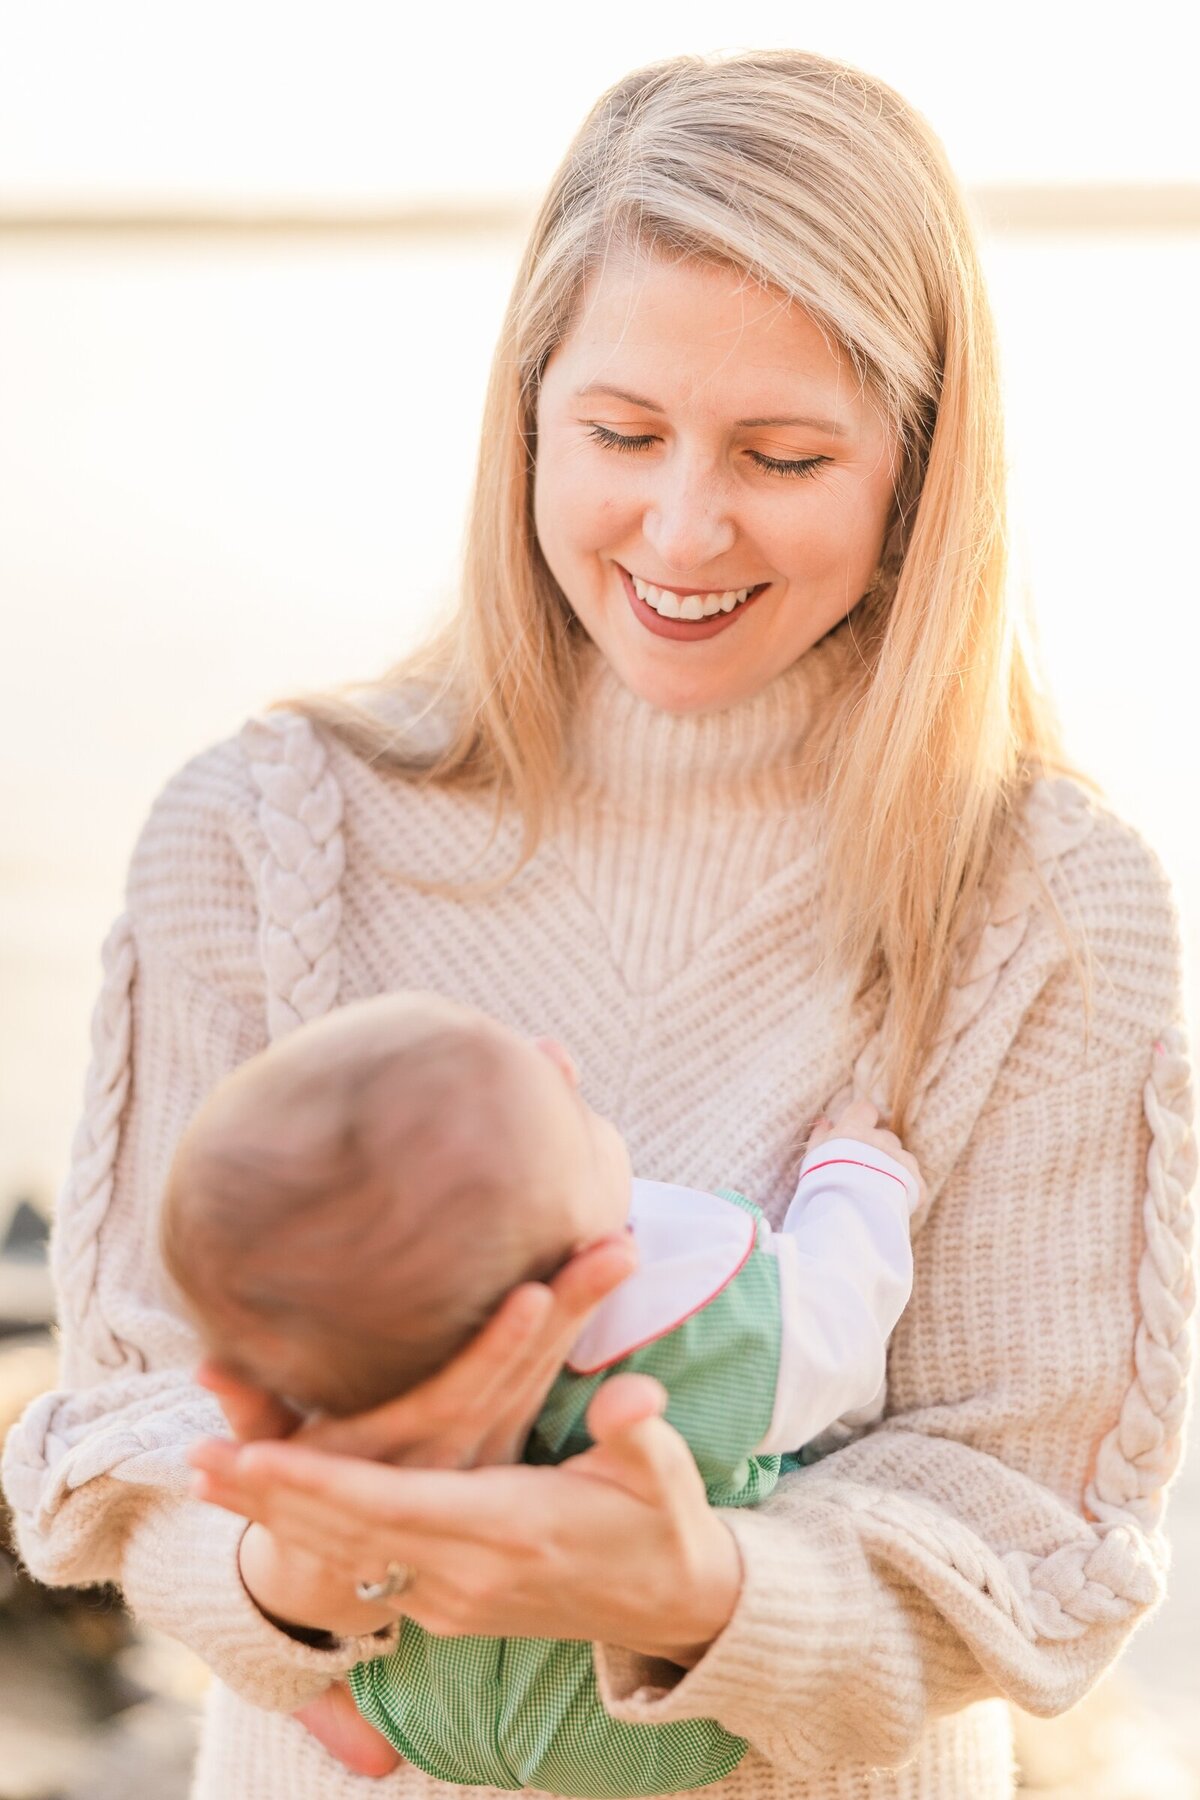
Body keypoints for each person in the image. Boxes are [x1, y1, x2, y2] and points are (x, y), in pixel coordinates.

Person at [2, 45, 1195, 1800]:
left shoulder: (1048, 898)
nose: (683, 524)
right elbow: (115, 1430)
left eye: (783, 454)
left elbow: (1041, 1540)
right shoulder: (268, 830)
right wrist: (302, 1563)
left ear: (920, 474)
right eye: (622, 434)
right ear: (527, 413)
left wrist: (704, 1591)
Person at [161, 989, 918, 1789]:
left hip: (417, 1705)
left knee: (330, 1526)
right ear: (585, 1238)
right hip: (628, 1733)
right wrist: (856, 1180)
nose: (559, 1058)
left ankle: (351, 1723)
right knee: (785, 1456)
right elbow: (841, 1324)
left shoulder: (346, 1350)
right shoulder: (700, 1310)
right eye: (573, 1125)